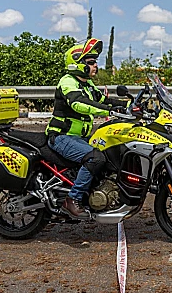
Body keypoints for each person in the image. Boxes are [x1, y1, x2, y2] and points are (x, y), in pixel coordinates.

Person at [46, 38, 129, 219]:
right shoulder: (68, 82)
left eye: (95, 62)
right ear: (77, 64)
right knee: (95, 158)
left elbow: (102, 100)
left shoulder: (86, 83)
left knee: (108, 153)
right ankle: (72, 199)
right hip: (62, 137)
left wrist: (128, 105)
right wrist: (109, 110)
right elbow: (79, 103)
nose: (95, 66)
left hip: (78, 137)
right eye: (90, 62)